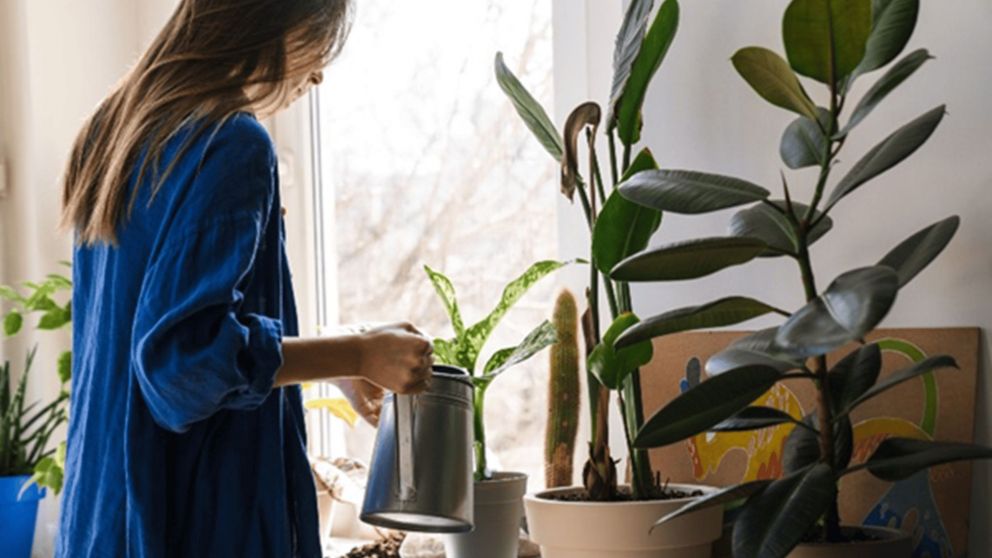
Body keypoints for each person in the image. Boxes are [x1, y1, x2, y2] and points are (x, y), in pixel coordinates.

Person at [56, 1, 431, 556]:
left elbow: (159, 339)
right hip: (191, 524)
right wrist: (356, 353)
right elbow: (183, 366)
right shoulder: (229, 142)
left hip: (102, 518)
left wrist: (336, 361)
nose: (319, 74)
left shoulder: (113, 130)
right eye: (319, 44)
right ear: (272, 19)